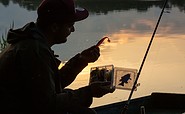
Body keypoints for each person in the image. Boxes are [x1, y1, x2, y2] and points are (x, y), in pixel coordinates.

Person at [0, 0, 115, 113]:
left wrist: (81, 61)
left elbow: (51, 85)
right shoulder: (34, 52)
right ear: (54, 27)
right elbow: (48, 105)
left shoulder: (31, 43)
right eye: (70, 26)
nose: (73, 30)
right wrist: (89, 92)